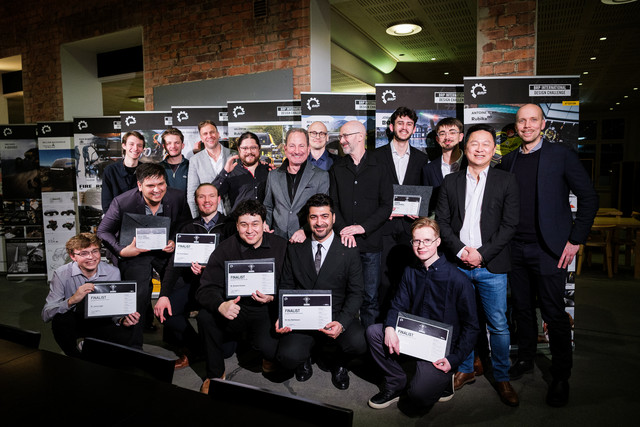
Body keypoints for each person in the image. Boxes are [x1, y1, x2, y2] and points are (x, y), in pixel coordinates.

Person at [497, 103, 598, 407]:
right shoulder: (509, 161)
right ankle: (526, 358)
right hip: (516, 249)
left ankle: (561, 376)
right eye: (522, 121)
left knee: (554, 314)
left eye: (533, 120)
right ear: (516, 126)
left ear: (543, 124)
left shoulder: (561, 155)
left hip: (550, 250)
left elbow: (589, 197)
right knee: (522, 310)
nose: (527, 125)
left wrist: (575, 239)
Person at [436, 124, 520, 406]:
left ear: (494, 149)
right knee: (462, 320)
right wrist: (461, 251)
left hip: (491, 266)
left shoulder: (506, 181)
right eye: (474, 143)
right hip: (458, 264)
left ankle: (502, 376)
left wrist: (481, 255)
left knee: (498, 324)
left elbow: (509, 226)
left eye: (486, 144)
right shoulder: (450, 182)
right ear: (465, 146)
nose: (480, 148)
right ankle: (466, 368)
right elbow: (442, 222)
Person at [366, 218, 478, 414]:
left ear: (438, 242)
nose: (421, 246)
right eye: (417, 241)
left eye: (427, 240)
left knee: (418, 396)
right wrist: (390, 327)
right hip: (415, 336)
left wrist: (454, 359)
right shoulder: (410, 271)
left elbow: (471, 326)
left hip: (440, 350)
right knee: (374, 332)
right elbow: (397, 305)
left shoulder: (458, 279)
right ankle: (396, 382)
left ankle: (444, 381)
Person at [275, 194, 366, 390]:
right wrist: (283, 315)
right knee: (287, 356)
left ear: (333, 217)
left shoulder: (348, 249)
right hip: (303, 317)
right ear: (307, 220)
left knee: (359, 342)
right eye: (314, 217)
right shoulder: (295, 248)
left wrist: (342, 323)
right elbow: (286, 285)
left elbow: (357, 292)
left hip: (335, 316)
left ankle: (340, 363)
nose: (319, 222)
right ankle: (305, 358)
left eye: (324, 216)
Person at [195, 200, 287, 393]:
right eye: (244, 224)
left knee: (273, 351)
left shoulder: (281, 247)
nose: (250, 230)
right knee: (205, 317)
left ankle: (266, 355)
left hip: (266, 310)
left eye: (255, 224)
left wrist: (273, 297)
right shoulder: (224, 249)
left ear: (264, 224)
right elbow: (205, 289)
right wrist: (220, 305)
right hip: (234, 309)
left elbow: (293, 284)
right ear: (237, 226)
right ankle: (214, 374)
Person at [97, 162, 191, 348]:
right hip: (135, 253)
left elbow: (184, 224)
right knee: (137, 295)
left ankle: (177, 342)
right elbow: (103, 231)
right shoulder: (122, 202)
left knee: (178, 286)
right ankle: (134, 346)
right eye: (150, 186)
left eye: (161, 184)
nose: (157, 190)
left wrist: (173, 240)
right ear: (139, 185)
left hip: (163, 251)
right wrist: (121, 250)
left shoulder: (177, 197)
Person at [154, 183, 233, 369]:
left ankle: (212, 347)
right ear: (196, 201)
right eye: (201, 197)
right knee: (164, 311)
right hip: (194, 285)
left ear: (219, 199)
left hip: (220, 288)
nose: (207, 200)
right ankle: (197, 347)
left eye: (211, 196)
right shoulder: (187, 227)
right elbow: (173, 265)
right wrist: (163, 295)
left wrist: (211, 270)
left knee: (226, 351)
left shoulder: (230, 227)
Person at [329, 120, 393, 328]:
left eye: (345, 136)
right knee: (342, 297)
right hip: (343, 243)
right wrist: (343, 230)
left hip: (370, 244)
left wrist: (362, 228)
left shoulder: (381, 166)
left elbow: (386, 206)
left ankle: (368, 344)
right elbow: (333, 204)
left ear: (360, 136)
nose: (342, 140)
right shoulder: (337, 168)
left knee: (370, 299)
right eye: (340, 136)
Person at [42, 233, 140, 357]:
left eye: (95, 251)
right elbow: (46, 314)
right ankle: (75, 358)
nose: (91, 257)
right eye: (83, 253)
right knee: (60, 321)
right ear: (73, 256)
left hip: (101, 321)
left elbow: (115, 310)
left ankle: (97, 356)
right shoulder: (61, 274)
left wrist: (123, 319)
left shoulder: (113, 272)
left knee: (126, 329)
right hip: (74, 320)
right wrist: (72, 300)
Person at [375, 107, 429, 317]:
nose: (404, 127)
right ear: (391, 127)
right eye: (400, 123)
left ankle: (406, 325)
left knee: (409, 281)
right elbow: (370, 192)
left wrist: (420, 211)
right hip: (384, 228)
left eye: (409, 124)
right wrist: (382, 210)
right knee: (383, 282)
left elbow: (425, 192)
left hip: (410, 229)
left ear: (414, 129)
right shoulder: (376, 157)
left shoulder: (421, 159)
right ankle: (382, 326)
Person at [264, 128, 329, 242]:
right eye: (292, 146)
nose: (297, 151)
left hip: (306, 240)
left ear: (308, 149)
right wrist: (265, 224)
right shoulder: (273, 176)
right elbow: (268, 206)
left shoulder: (321, 176)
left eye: (301, 146)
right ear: (285, 149)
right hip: (277, 240)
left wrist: (305, 230)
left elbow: (324, 212)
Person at [213, 131, 270, 213]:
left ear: (259, 148)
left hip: (264, 221)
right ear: (239, 149)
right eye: (245, 148)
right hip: (237, 220)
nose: (249, 151)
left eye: (253, 147)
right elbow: (211, 194)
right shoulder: (231, 172)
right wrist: (225, 172)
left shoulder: (269, 171)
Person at [422, 117, 466, 215]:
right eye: (442, 134)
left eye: (452, 133)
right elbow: (427, 204)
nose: (447, 137)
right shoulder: (429, 169)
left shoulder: (471, 165)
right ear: (437, 139)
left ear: (460, 137)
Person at [187, 120, 231, 217]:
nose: (209, 136)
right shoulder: (195, 160)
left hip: (233, 215)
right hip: (208, 217)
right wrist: (197, 219)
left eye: (212, 132)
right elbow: (192, 194)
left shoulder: (233, 155)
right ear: (201, 138)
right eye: (205, 134)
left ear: (218, 134)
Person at [101, 131, 144, 213]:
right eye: (131, 144)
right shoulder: (110, 171)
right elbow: (106, 205)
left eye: (139, 145)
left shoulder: (146, 171)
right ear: (124, 145)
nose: (135, 148)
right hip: (117, 219)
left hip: (141, 219)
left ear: (142, 149)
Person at [160, 127, 189, 194]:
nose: (173, 146)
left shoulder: (191, 166)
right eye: (169, 143)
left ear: (182, 145)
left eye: (177, 143)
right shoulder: (158, 168)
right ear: (164, 146)